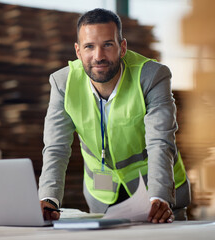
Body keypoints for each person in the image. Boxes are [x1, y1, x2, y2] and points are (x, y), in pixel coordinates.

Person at [38, 8, 191, 223]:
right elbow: (56, 147)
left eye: (108, 45)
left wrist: (160, 197)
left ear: (123, 48)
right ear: (78, 51)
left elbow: (160, 141)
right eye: (89, 46)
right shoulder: (63, 83)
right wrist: (49, 199)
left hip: (157, 197)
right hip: (103, 198)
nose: (98, 56)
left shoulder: (152, 76)